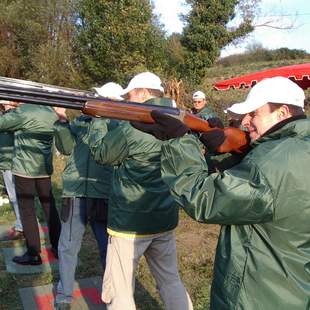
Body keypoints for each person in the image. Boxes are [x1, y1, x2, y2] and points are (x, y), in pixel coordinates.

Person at [132, 77, 310, 309]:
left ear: (282, 112)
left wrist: (178, 141)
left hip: (255, 295)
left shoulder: (273, 163)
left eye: (253, 114)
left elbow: (202, 198)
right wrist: (225, 152)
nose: (245, 122)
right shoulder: (298, 148)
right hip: (291, 285)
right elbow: (262, 188)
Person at [88, 72, 192, 310]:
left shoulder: (132, 128)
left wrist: (99, 118)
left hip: (129, 222)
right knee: (170, 280)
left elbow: (101, 154)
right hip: (164, 218)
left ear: (144, 94)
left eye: (131, 94)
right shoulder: (179, 122)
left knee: (120, 289)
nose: (127, 99)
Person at [53, 82, 122, 309]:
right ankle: (64, 294)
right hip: (76, 191)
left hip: (103, 192)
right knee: (67, 246)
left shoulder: (119, 124)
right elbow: (65, 147)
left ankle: (112, 292)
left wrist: (100, 119)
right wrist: (62, 120)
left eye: (99, 97)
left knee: (108, 249)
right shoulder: (81, 121)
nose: (93, 98)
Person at [0, 102, 61, 265]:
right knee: (50, 208)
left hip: (24, 169)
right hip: (43, 168)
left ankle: (34, 253)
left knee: (27, 211)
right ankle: (58, 247)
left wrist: (7, 110)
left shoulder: (22, 112)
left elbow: (2, 124)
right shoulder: (50, 111)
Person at [0, 101, 24, 239]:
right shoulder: (7, 115)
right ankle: (21, 224)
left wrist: (9, 106)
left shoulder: (13, 116)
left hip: (12, 163)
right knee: (13, 195)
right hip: (6, 162)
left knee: (16, 196)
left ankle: (21, 227)